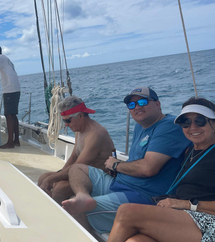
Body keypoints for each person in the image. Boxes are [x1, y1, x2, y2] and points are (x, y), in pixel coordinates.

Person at [61, 86, 191, 234]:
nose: (136, 107)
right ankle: (82, 195)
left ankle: (87, 234)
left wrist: (116, 165)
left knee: (76, 209)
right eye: (132, 105)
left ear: (158, 104)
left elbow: (147, 168)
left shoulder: (168, 127)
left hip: (143, 195)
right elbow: (137, 161)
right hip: (121, 183)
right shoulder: (140, 127)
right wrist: (118, 169)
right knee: (77, 169)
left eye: (142, 102)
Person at [107, 97, 215, 242]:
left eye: (200, 121)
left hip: (208, 222)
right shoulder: (189, 152)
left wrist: (185, 204)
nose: (193, 127)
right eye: (186, 122)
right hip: (184, 216)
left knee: (127, 212)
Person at [38, 96, 114, 203]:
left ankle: (60, 217)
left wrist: (53, 178)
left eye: (68, 120)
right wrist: (58, 174)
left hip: (99, 178)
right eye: (64, 121)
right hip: (81, 173)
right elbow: (74, 156)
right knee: (43, 178)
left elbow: (77, 167)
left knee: (59, 188)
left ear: (80, 115)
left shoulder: (95, 135)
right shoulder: (79, 130)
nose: (66, 124)